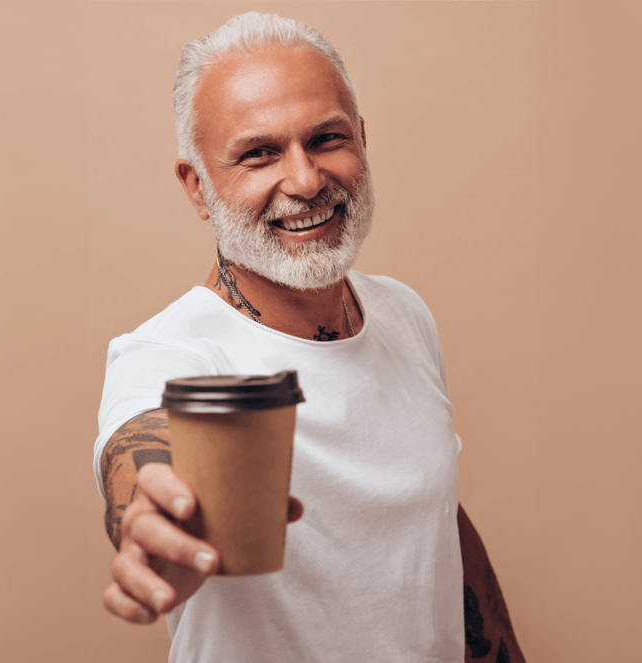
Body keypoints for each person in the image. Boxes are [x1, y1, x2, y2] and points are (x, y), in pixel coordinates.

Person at [94, 12, 526, 662]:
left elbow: (434, 522)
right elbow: (140, 455)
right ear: (198, 188)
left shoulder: (404, 315)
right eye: (259, 152)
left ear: (362, 140)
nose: (304, 179)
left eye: (326, 139)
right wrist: (149, 523)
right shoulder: (171, 356)